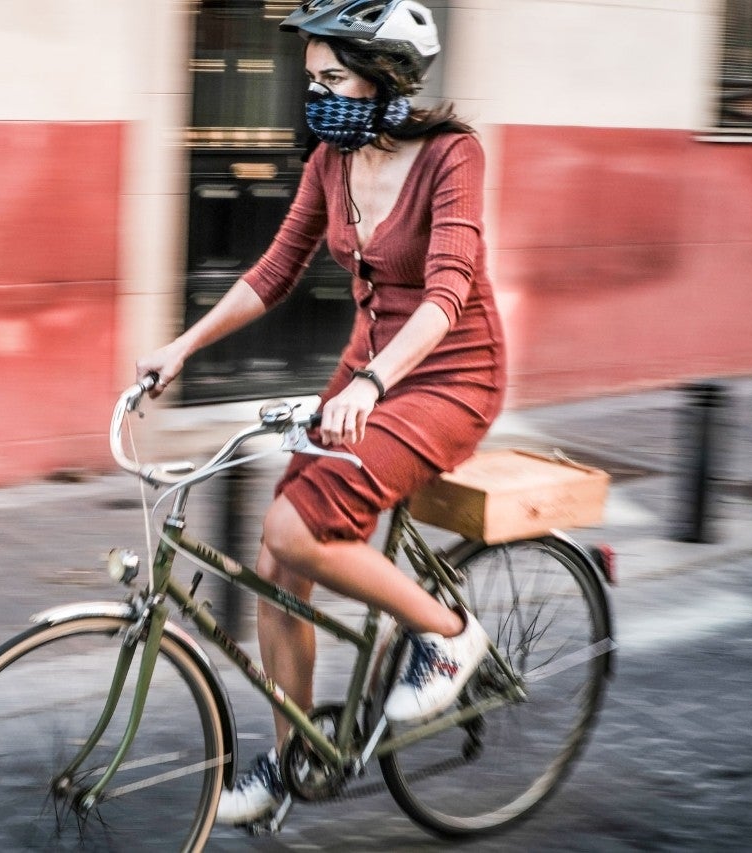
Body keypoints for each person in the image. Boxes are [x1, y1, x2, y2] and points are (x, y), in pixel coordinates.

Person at [136, 0, 507, 828]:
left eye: (333, 78)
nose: (317, 97)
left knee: (300, 528)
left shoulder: (453, 155)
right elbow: (273, 271)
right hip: (365, 374)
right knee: (279, 558)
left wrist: (373, 386)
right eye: (312, 80)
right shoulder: (331, 163)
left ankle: (448, 633)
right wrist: (183, 347)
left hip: (447, 376)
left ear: (387, 80)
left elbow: (448, 290)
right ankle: (294, 754)